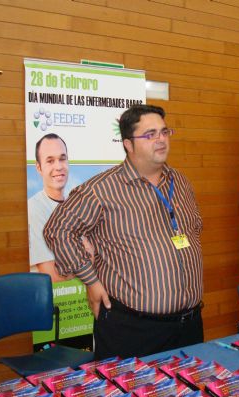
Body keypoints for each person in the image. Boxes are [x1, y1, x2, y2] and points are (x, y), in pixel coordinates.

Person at [44, 104, 204, 360]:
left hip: (190, 325)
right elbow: (58, 230)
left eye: (164, 132)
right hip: (133, 330)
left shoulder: (181, 183)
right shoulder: (101, 190)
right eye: (150, 134)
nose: (161, 139)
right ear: (128, 144)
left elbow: (192, 230)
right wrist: (91, 280)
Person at [28, 133, 72, 282]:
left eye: (62, 159)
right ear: (39, 168)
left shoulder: (77, 206)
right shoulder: (34, 209)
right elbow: (52, 276)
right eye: (50, 161)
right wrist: (90, 259)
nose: (58, 167)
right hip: (55, 301)